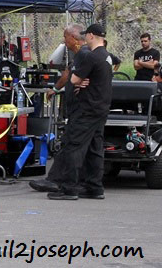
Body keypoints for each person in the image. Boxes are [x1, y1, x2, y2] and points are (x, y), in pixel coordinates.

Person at [46, 23, 113, 201]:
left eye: (86, 35)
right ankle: (94, 187)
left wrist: (79, 80)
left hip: (87, 109)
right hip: (101, 108)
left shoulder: (91, 56)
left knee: (73, 146)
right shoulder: (106, 56)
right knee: (94, 148)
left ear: (91, 36)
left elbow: (74, 79)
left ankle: (69, 188)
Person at [30, 24, 87, 192]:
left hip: (84, 108)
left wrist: (86, 82)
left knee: (69, 143)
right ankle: (89, 184)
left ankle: (58, 181)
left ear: (74, 38)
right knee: (76, 144)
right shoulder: (77, 56)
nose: (64, 40)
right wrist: (55, 89)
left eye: (65, 37)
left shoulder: (86, 54)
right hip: (76, 107)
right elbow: (67, 74)